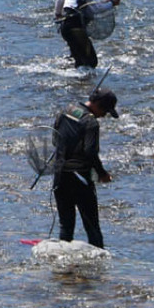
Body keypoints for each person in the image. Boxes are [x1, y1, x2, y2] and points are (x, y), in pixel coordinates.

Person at [52, 88, 117, 247]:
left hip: (60, 174)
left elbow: (55, 140)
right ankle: (99, 259)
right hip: (80, 178)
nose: (104, 115)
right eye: (105, 111)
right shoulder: (91, 123)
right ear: (98, 105)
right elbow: (90, 152)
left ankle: (63, 260)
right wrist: (102, 173)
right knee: (92, 227)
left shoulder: (66, 111)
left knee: (66, 226)